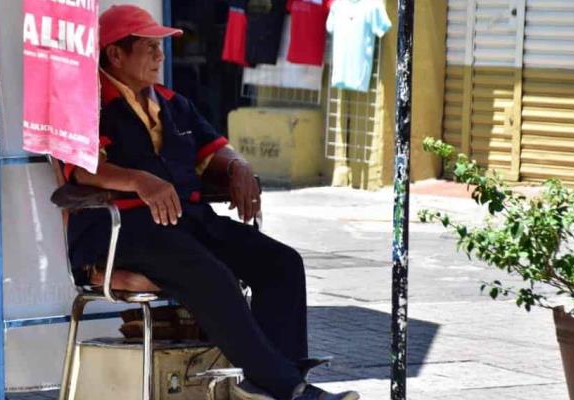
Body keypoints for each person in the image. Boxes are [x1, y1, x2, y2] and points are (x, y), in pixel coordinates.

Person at [63, 5, 360, 400]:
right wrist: (138, 180)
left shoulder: (172, 103)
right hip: (124, 231)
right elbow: (83, 169)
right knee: (212, 274)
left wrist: (237, 165)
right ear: (115, 54)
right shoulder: (89, 104)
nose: (160, 56)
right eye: (149, 47)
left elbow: (213, 148)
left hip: (187, 221)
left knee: (282, 264)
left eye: (160, 47)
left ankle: (266, 383)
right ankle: (290, 388)